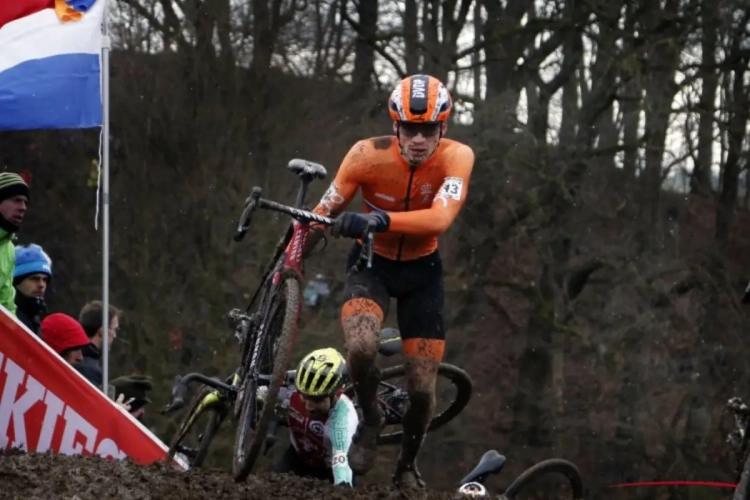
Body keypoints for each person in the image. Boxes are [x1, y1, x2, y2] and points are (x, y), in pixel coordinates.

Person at [302, 74, 475, 488]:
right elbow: (323, 213)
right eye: (410, 129)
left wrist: (379, 218)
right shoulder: (366, 155)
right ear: (395, 126)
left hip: (422, 274)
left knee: (420, 390)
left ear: (442, 129)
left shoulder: (457, 157)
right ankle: (370, 415)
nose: (418, 139)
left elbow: (440, 218)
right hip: (371, 265)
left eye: (428, 130)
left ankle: (407, 466)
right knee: (360, 350)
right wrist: (293, 259)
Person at [269, 348, 358, 487]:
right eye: (305, 396)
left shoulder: (343, 417)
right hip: (296, 457)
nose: (309, 406)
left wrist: (342, 487)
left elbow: (341, 462)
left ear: (335, 394)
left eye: (317, 400)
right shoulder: (292, 387)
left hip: (329, 469)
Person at [0, 172, 30, 315]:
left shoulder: (9, 249)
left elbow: (7, 306)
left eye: (25, 202)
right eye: (16, 200)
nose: (23, 207)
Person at [76, 299, 121, 388]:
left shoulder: (79, 357)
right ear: (102, 331)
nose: (115, 336)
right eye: (114, 330)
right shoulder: (89, 369)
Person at [13, 243, 52, 335]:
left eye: (45, 280)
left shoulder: (35, 315)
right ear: (16, 281)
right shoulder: (7, 315)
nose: (41, 285)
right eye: (34, 279)